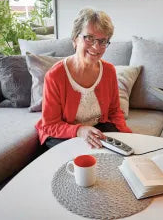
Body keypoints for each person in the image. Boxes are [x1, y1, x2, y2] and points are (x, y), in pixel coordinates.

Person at [35, 8, 132, 149]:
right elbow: (50, 125)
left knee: (120, 153)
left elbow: (114, 111)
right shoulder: (55, 76)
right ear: (75, 39)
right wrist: (79, 130)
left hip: (96, 128)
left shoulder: (109, 71)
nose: (96, 46)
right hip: (63, 133)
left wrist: (128, 136)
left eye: (103, 41)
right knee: (80, 157)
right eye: (89, 38)